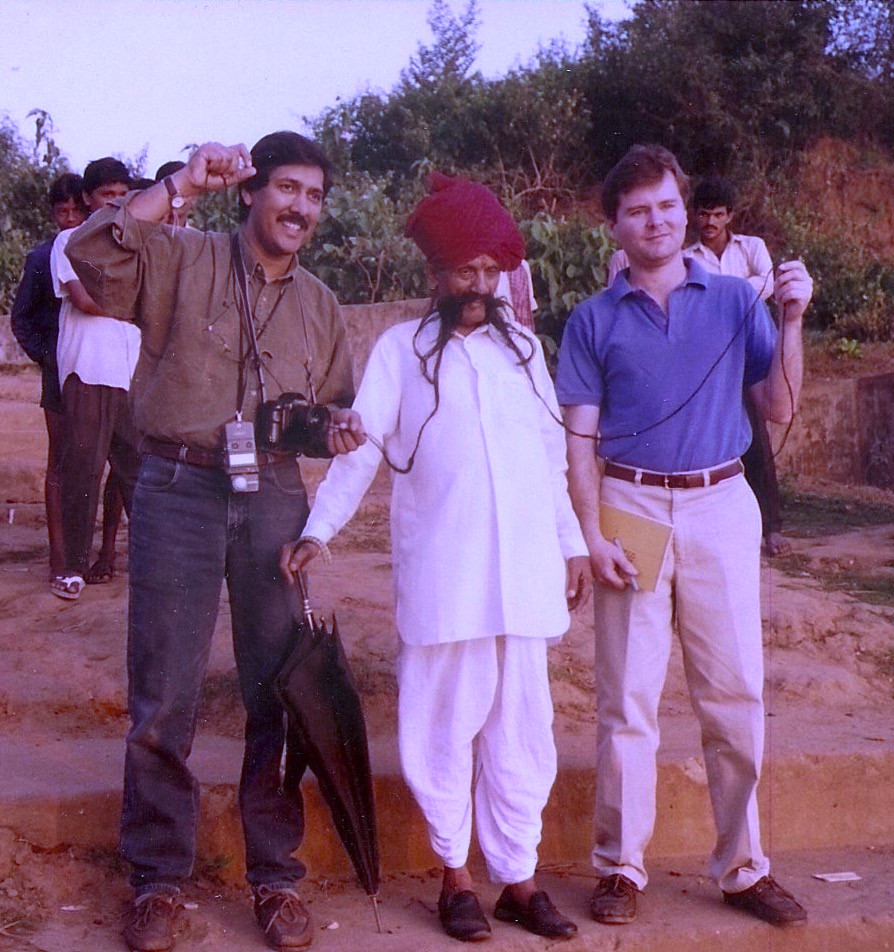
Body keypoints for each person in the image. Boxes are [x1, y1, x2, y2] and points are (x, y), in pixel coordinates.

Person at [66, 133, 364, 952]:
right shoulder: (180, 256)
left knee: (278, 689)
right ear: (249, 192)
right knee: (164, 692)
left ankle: (275, 876)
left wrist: (330, 430)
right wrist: (180, 186)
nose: (300, 207)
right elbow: (92, 258)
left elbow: (324, 413)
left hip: (273, 495)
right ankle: (158, 880)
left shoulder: (321, 305)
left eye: (314, 195)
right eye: (286, 189)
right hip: (175, 486)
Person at [282, 172, 590, 943]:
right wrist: (320, 530)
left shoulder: (524, 351)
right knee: (442, 730)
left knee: (523, 733)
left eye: (490, 270)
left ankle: (518, 880)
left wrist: (573, 544)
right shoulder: (400, 351)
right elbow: (360, 450)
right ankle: (456, 877)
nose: (479, 286)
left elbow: (549, 456)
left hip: (523, 578)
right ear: (434, 274)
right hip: (447, 581)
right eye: (463, 271)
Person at [555, 145, 813, 929]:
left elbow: (779, 406)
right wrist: (589, 532)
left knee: (734, 694)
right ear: (615, 225)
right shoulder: (592, 320)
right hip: (630, 502)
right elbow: (578, 444)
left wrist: (792, 319)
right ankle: (619, 866)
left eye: (667, 205)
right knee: (626, 698)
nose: (657, 221)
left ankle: (743, 866)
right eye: (638, 210)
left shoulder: (735, 299)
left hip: (721, 501)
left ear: (684, 209)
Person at [86, 162, 196, 586]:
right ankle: (110, 550)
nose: (178, 208)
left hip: (180, 369)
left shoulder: (200, 245)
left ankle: (169, 552)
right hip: (136, 366)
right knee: (127, 464)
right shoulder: (139, 240)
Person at [50, 157, 142, 601]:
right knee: (83, 471)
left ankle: (152, 563)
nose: (116, 203)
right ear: (88, 198)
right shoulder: (69, 240)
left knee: (138, 472)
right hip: (88, 369)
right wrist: (130, 306)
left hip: (131, 373)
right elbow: (85, 301)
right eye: (107, 195)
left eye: (123, 195)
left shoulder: (135, 243)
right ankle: (71, 568)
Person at [685, 177, 789, 555]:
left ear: (729, 216)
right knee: (717, 439)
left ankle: (772, 527)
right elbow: (693, 302)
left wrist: (726, 293)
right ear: (695, 216)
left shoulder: (751, 247)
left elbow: (769, 283)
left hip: (751, 351)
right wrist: (739, 291)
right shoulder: (689, 258)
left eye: (717, 215)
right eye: (703, 214)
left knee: (757, 437)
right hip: (711, 357)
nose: (710, 222)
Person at [10, 173, 88, 586]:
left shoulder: (100, 253)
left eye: (77, 210)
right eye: (62, 211)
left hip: (96, 370)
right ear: (52, 213)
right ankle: (59, 557)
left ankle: (95, 553)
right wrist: (46, 356)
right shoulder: (42, 257)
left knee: (97, 462)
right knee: (58, 461)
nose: (70, 218)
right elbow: (21, 318)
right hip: (59, 373)